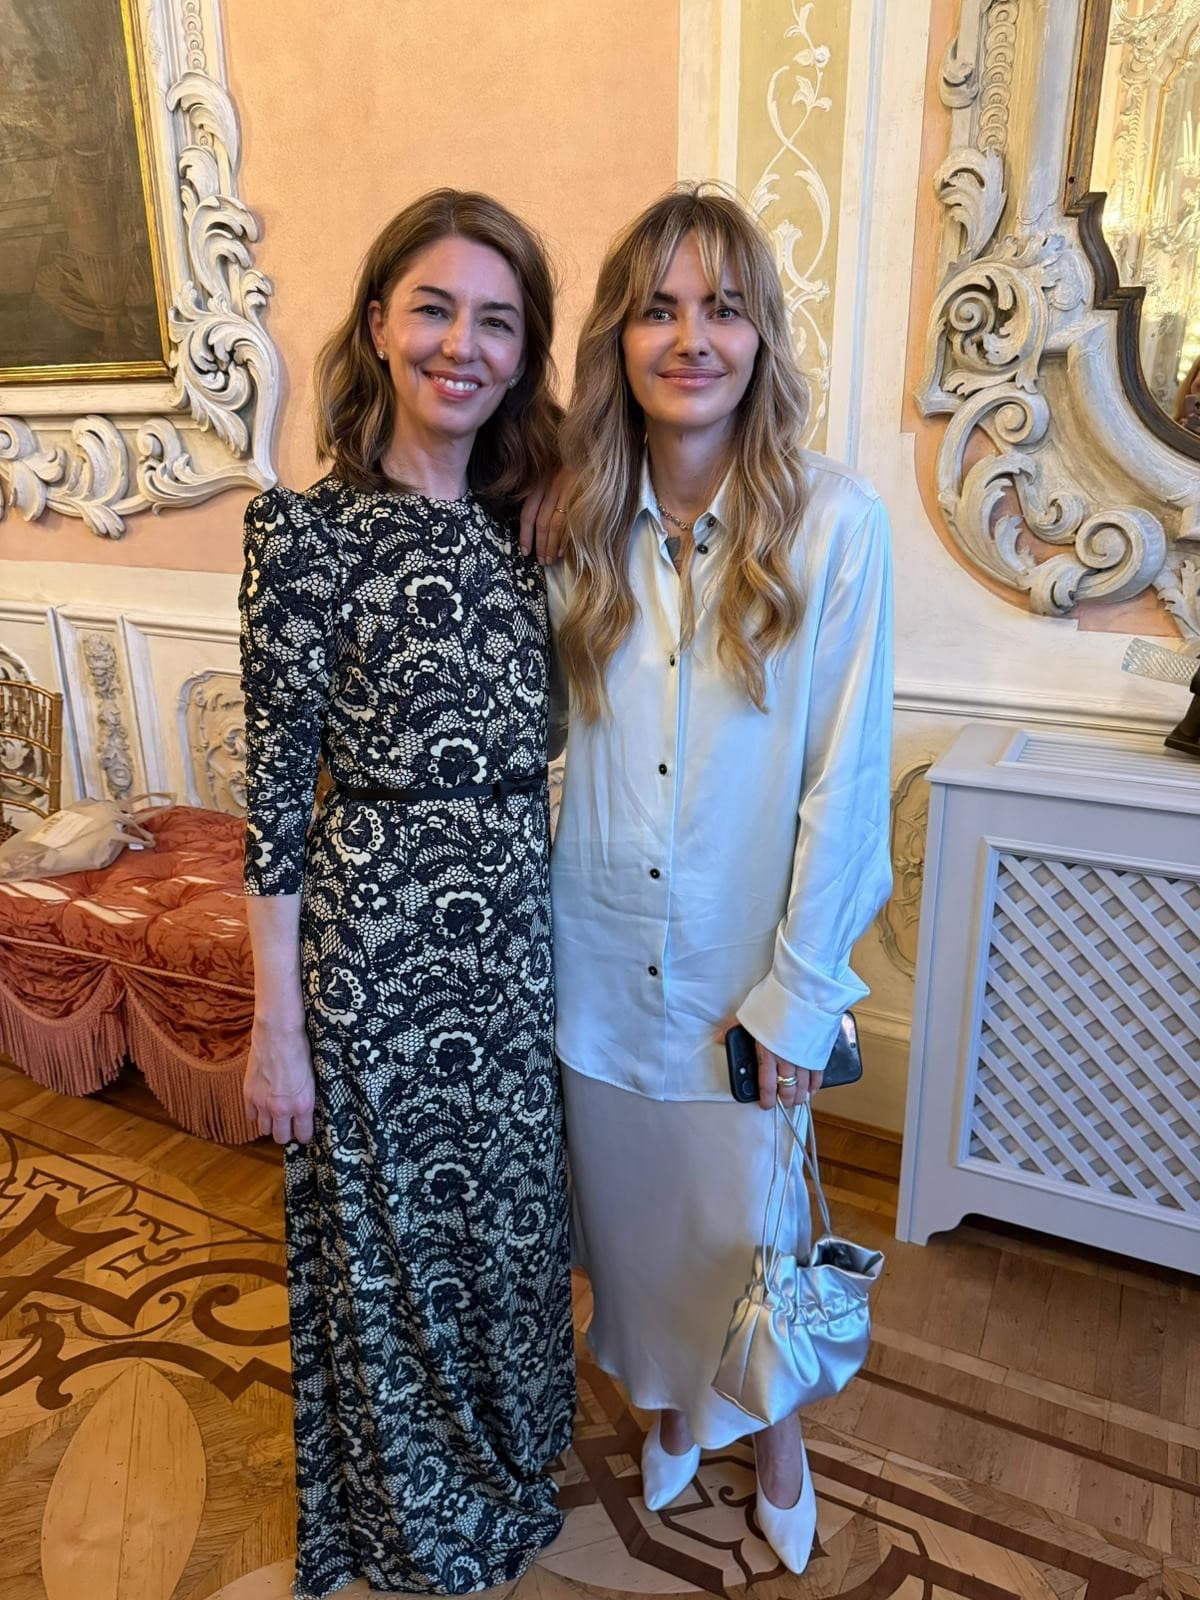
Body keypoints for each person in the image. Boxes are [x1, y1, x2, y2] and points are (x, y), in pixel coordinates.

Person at [543, 185, 893, 1574]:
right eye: (659, 310)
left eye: (724, 309)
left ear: (761, 338)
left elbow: (844, 785)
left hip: (741, 988)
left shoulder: (835, 525)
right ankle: (676, 1405)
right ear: (619, 341)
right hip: (591, 973)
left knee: (750, 1238)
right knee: (636, 1240)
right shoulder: (571, 526)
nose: (692, 338)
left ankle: (779, 1438)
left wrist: (800, 994)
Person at [239, 189, 575, 1600]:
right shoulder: (303, 536)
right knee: (397, 1257)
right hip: (373, 957)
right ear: (378, 322)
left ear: (523, 351)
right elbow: (273, 803)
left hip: (515, 944)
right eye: (433, 308)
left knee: (509, 1232)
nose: (461, 345)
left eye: (497, 322)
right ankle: (415, 1527)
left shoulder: (533, 528)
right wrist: (277, 1030)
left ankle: (508, 1472)